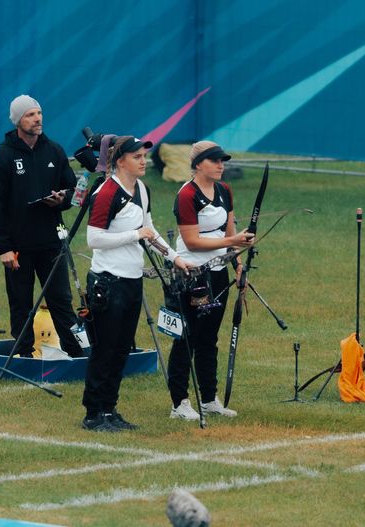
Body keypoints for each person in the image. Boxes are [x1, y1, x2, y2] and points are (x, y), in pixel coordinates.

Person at [82, 136, 190, 432]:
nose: (144, 161)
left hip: (132, 281)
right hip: (108, 281)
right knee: (105, 349)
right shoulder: (106, 193)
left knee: (121, 349)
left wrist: (174, 257)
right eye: (138, 157)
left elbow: (149, 229)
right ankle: (93, 414)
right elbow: (94, 239)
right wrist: (134, 235)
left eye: (144, 156)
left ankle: (110, 409)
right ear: (120, 161)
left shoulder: (142, 188)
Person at [0, 95, 83, 358]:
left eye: (39, 113)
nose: (37, 118)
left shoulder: (54, 150)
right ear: (18, 120)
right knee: (20, 303)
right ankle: (24, 356)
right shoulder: (1, 156)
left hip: (51, 242)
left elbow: (74, 191)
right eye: (30, 114)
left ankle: (75, 354)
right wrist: (3, 248)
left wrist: (61, 200)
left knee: (61, 301)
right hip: (17, 247)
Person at [167, 141, 254, 421]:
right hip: (191, 273)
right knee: (187, 336)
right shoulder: (186, 195)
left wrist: (238, 263)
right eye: (214, 160)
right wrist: (233, 240)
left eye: (222, 161)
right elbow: (192, 241)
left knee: (209, 336)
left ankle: (208, 399)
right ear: (198, 164)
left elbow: (229, 231)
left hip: (218, 272)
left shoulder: (224, 190)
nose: (220, 165)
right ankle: (179, 402)